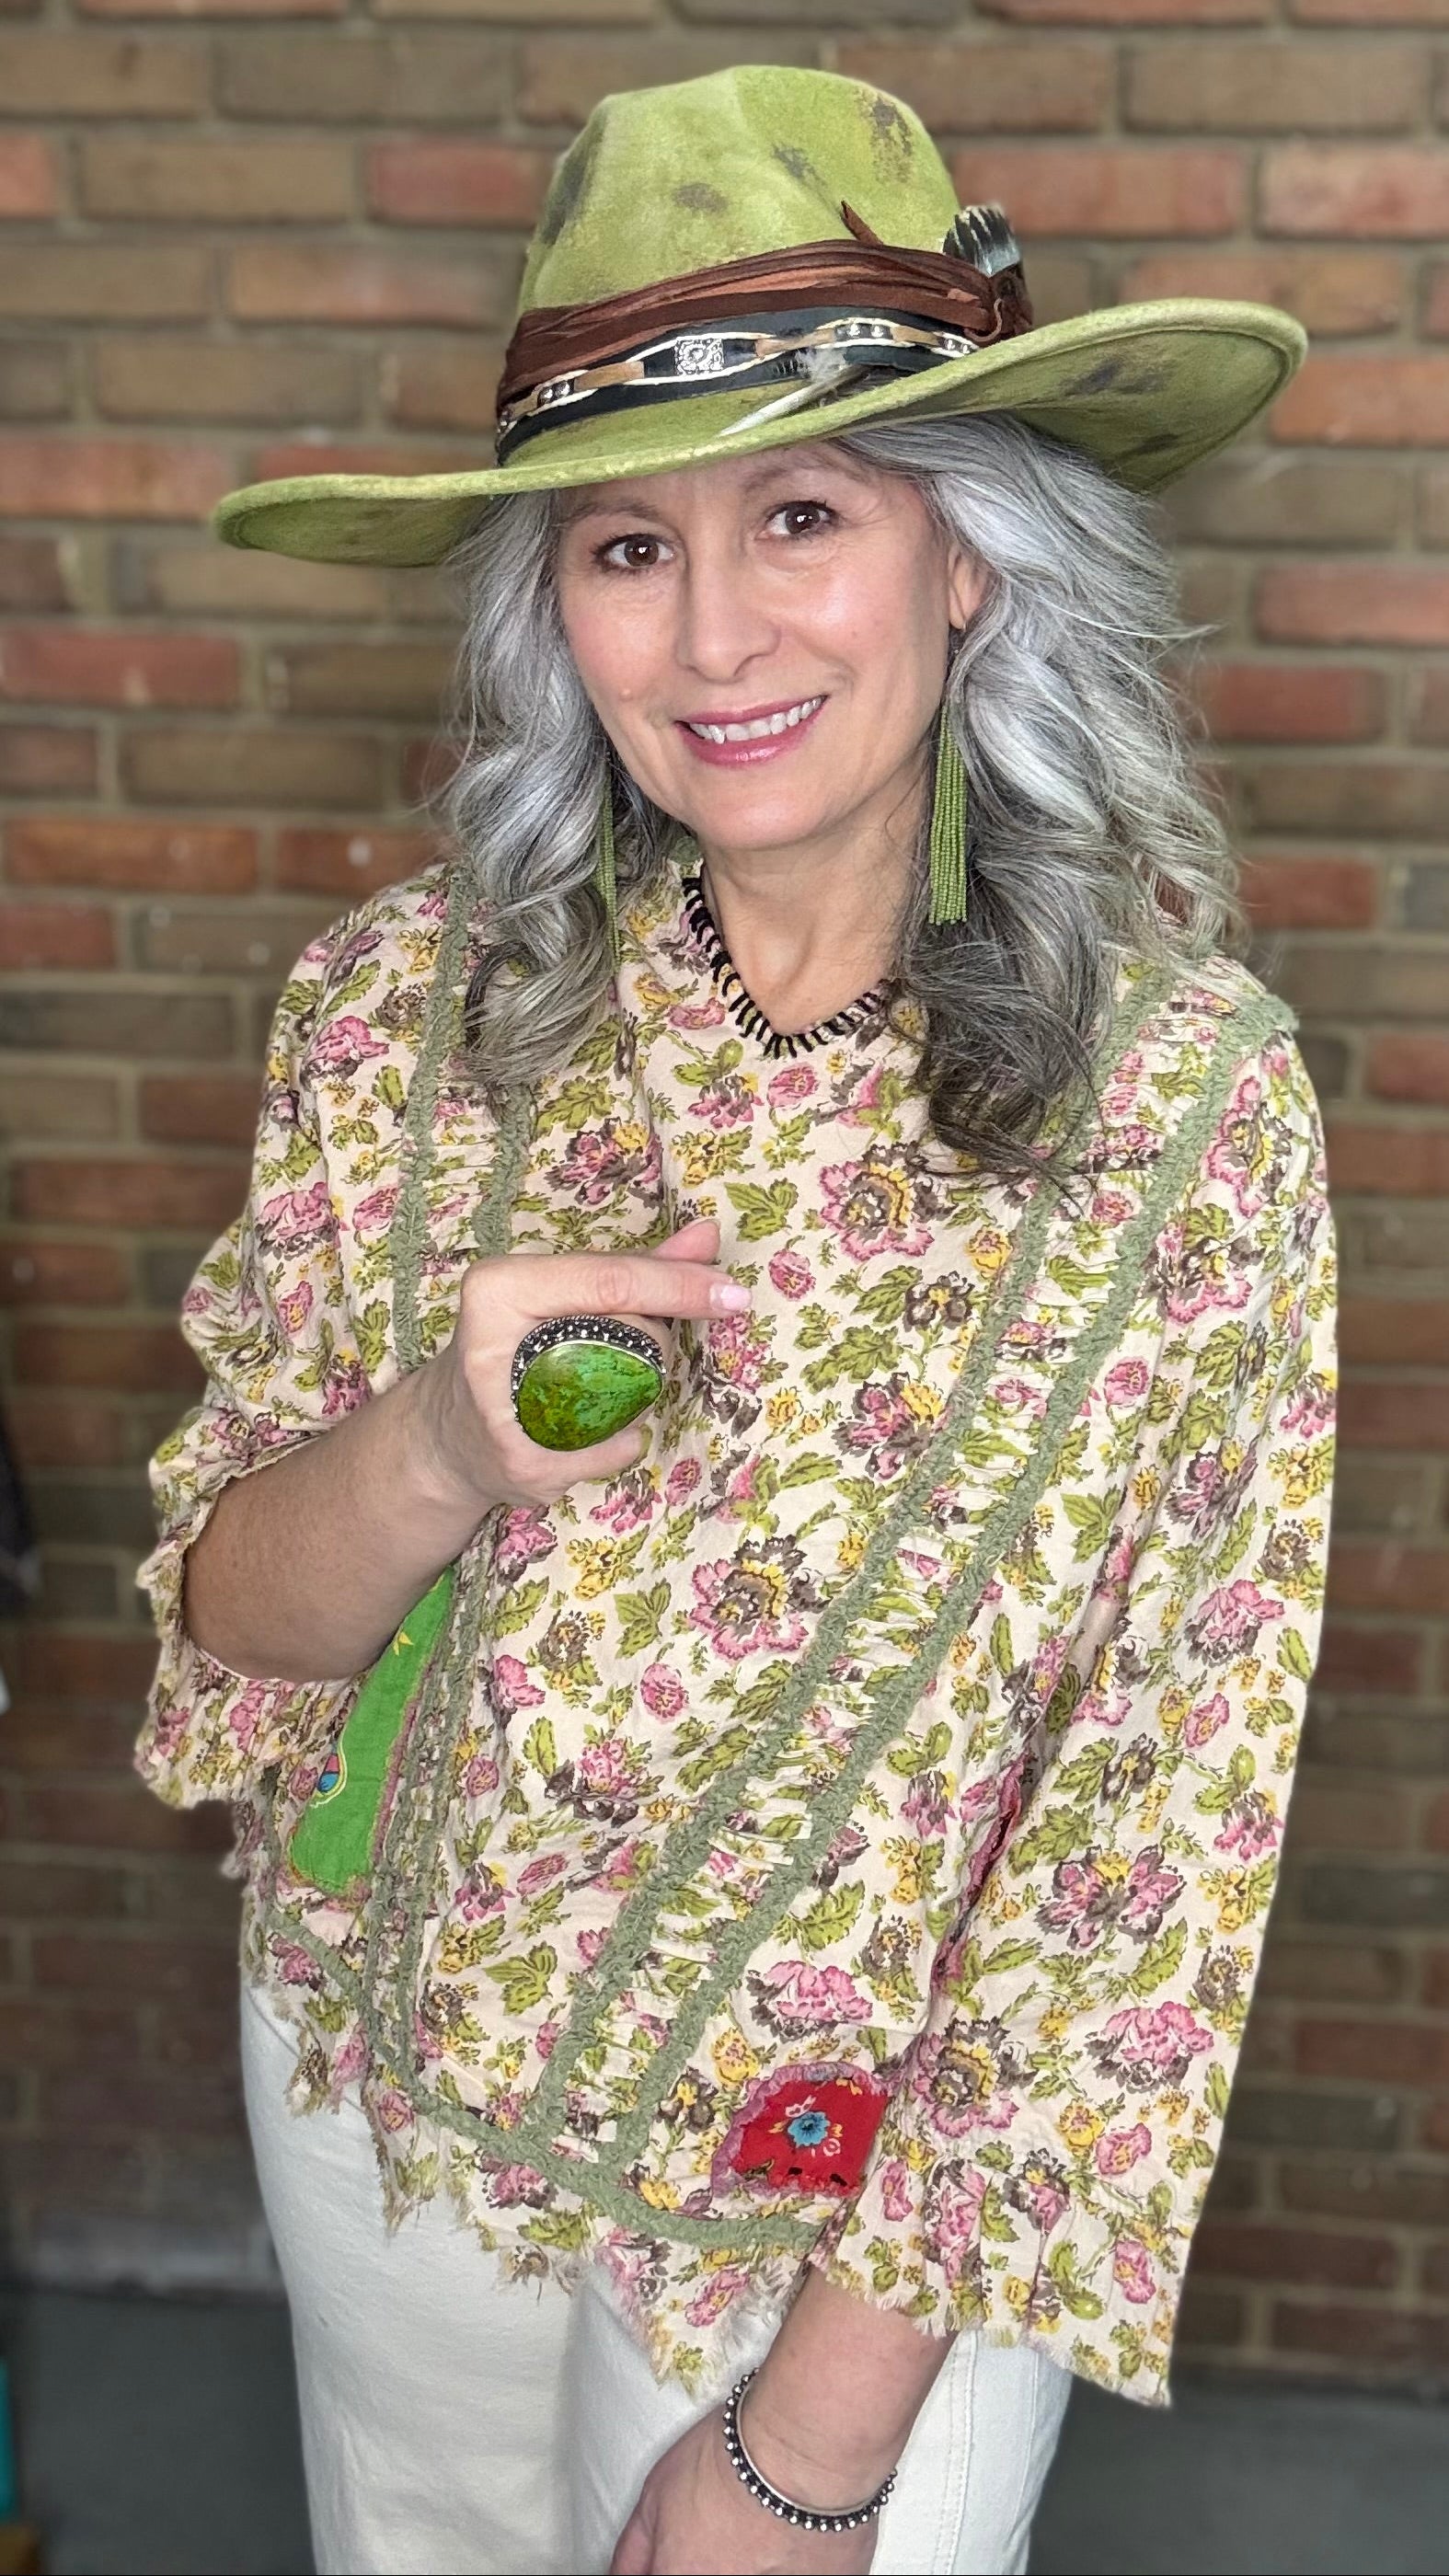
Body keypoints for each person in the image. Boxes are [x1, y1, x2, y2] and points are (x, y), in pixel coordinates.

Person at [136, 65, 1338, 2576]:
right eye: (620, 550)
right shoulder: (402, 1014)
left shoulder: (1184, 1107)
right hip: (384, 2098)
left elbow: (1148, 1840)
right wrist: (437, 1454)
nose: (713, 639)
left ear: (967, 561)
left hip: (844, 2217)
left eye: (803, 514)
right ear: (546, 609)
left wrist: (809, 2451)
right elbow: (234, 1639)